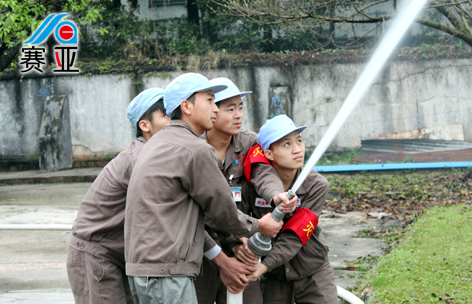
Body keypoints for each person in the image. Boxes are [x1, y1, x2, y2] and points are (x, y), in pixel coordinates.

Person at [124, 73, 284, 304]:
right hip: (167, 271)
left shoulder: (157, 143)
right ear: (186, 106)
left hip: (144, 269)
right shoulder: (195, 149)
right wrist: (260, 226)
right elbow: (222, 211)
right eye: (209, 100)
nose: (216, 109)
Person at [195, 77, 298, 304]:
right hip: (203, 247)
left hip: (244, 246)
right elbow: (199, 209)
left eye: (240, 107)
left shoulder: (249, 142)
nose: (239, 115)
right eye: (230, 108)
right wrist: (229, 241)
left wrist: (275, 195)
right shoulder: (194, 148)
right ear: (213, 110)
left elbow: (262, 172)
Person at [67, 88, 169, 304]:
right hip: (96, 253)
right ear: (145, 125)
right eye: (167, 115)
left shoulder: (159, 154)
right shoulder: (141, 159)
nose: (176, 122)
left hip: (122, 256)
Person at [244, 115, 338, 304]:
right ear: (269, 154)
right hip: (275, 278)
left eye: (299, 141)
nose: (297, 150)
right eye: (286, 144)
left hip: (313, 272)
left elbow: (296, 236)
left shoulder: (316, 185)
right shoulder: (252, 187)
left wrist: (264, 266)